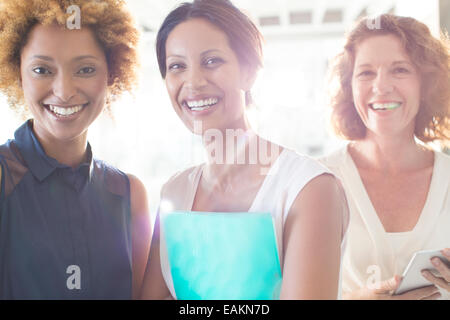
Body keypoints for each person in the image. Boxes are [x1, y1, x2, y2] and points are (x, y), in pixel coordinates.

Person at [140, 0, 348, 300]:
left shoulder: (309, 187)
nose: (193, 81)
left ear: (249, 71)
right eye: (177, 66)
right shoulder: (174, 192)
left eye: (212, 61)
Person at [0, 0, 151, 299]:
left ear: (112, 74)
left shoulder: (129, 193)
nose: (64, 90)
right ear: (19, 74)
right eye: (42, 69)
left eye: (85, 69)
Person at [320, 14, 450, 300]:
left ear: (425, 83)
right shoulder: (318, 181)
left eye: (400, 70)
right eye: (366, 72)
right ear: (349, 86)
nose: (381, 86)